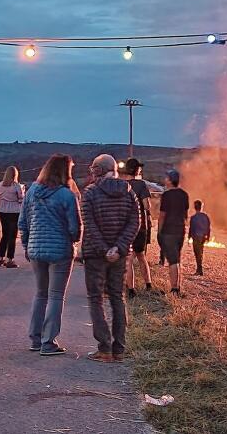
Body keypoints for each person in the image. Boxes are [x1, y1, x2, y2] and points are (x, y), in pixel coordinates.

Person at [19, 155, 82, 355]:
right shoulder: (66, 195)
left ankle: (35, 339)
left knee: (40, 294)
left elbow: (23, 223)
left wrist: (27, 245)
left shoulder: (32, 192)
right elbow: (75, 227)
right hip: (60, 250)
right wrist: (74, 239)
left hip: (36, 249)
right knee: (56, 296)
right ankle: (48, 342)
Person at [81, 154, 139, 363]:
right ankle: (119, 348)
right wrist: (119, 247)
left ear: (98, 170)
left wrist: (104, 249)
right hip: (120, 255)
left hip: (95, 254)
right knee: (117, 297)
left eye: (93, 168)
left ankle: (104, 347)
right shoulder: (129, 192)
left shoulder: (90, 193)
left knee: (96, 298)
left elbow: (89, 224)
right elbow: (135, 223)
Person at [123, 158, 153, 298]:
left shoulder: (121, 185)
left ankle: (131, 289)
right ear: (136, 170)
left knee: (128, 258)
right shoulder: (141, 185)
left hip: (124, 227)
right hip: (140, 226)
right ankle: (148, 284)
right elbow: (147, 206)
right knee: (141, 255)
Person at [158, 169, 189, 296]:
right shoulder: (184, 195)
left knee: (172, 261)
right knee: (177, 258)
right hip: (180, 230)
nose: (165, 180)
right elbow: (185, 215)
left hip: (168, 231)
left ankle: (174, 289)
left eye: (167, 178)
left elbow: (162, 215)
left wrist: (159, 231)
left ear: (170, 181)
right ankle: (178, 286)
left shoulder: (166, 196)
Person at [0, 166, 24, 268]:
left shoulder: (0, 185)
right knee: (12, 236)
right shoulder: (16, 186)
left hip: (3, 211)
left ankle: (1, 258)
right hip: (14, 212)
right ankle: (10, 259)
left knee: (5, 235)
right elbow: (21, 199)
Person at [189, 200, 211, 276]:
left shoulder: (193, 217)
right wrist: (207, 236)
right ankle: (199, 269)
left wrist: (189, 237)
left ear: (195, 207)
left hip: (196, 238)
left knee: (197, 253)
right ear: (201, 207)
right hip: (203, 237)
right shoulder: (206, 216)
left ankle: (199, 269)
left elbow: (191, 228)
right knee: (200, 252)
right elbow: (208, 228)